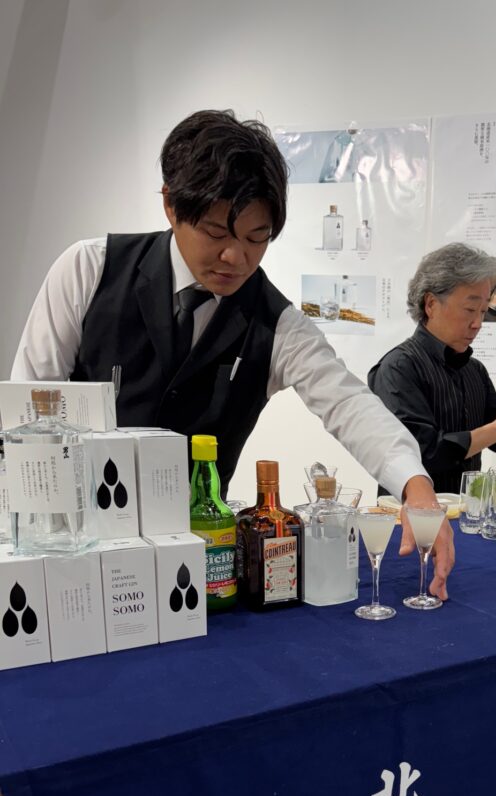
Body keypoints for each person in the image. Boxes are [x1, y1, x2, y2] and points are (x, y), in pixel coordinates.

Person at [11, 109, 453, 598]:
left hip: (198, 567)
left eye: (256, 238)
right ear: (170, 205)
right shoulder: (89, 271)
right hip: (73, 554)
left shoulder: (276, 323)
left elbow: (348, 403)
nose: (235, 257)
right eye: (217, 233)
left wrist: (415, 485)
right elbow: (27, 410)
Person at [367, 243, 496, 493]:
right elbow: (420, 452)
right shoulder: (399, 367)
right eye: (469, 310)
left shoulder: (474, 370)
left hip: (466, 510)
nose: (478, 323)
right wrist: (495, 430)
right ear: (431, 304)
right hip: (412, 512)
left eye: (483, 311)